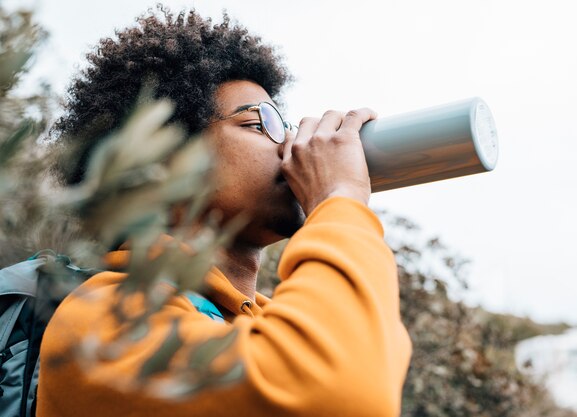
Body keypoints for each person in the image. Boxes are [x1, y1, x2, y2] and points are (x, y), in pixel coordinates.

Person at [38, 7, 411, 417]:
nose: (289, 143)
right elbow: (340, 393)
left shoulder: (274, 319)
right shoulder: (100, 319)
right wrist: (340, 195)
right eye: (259, 123)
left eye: (283, 124)